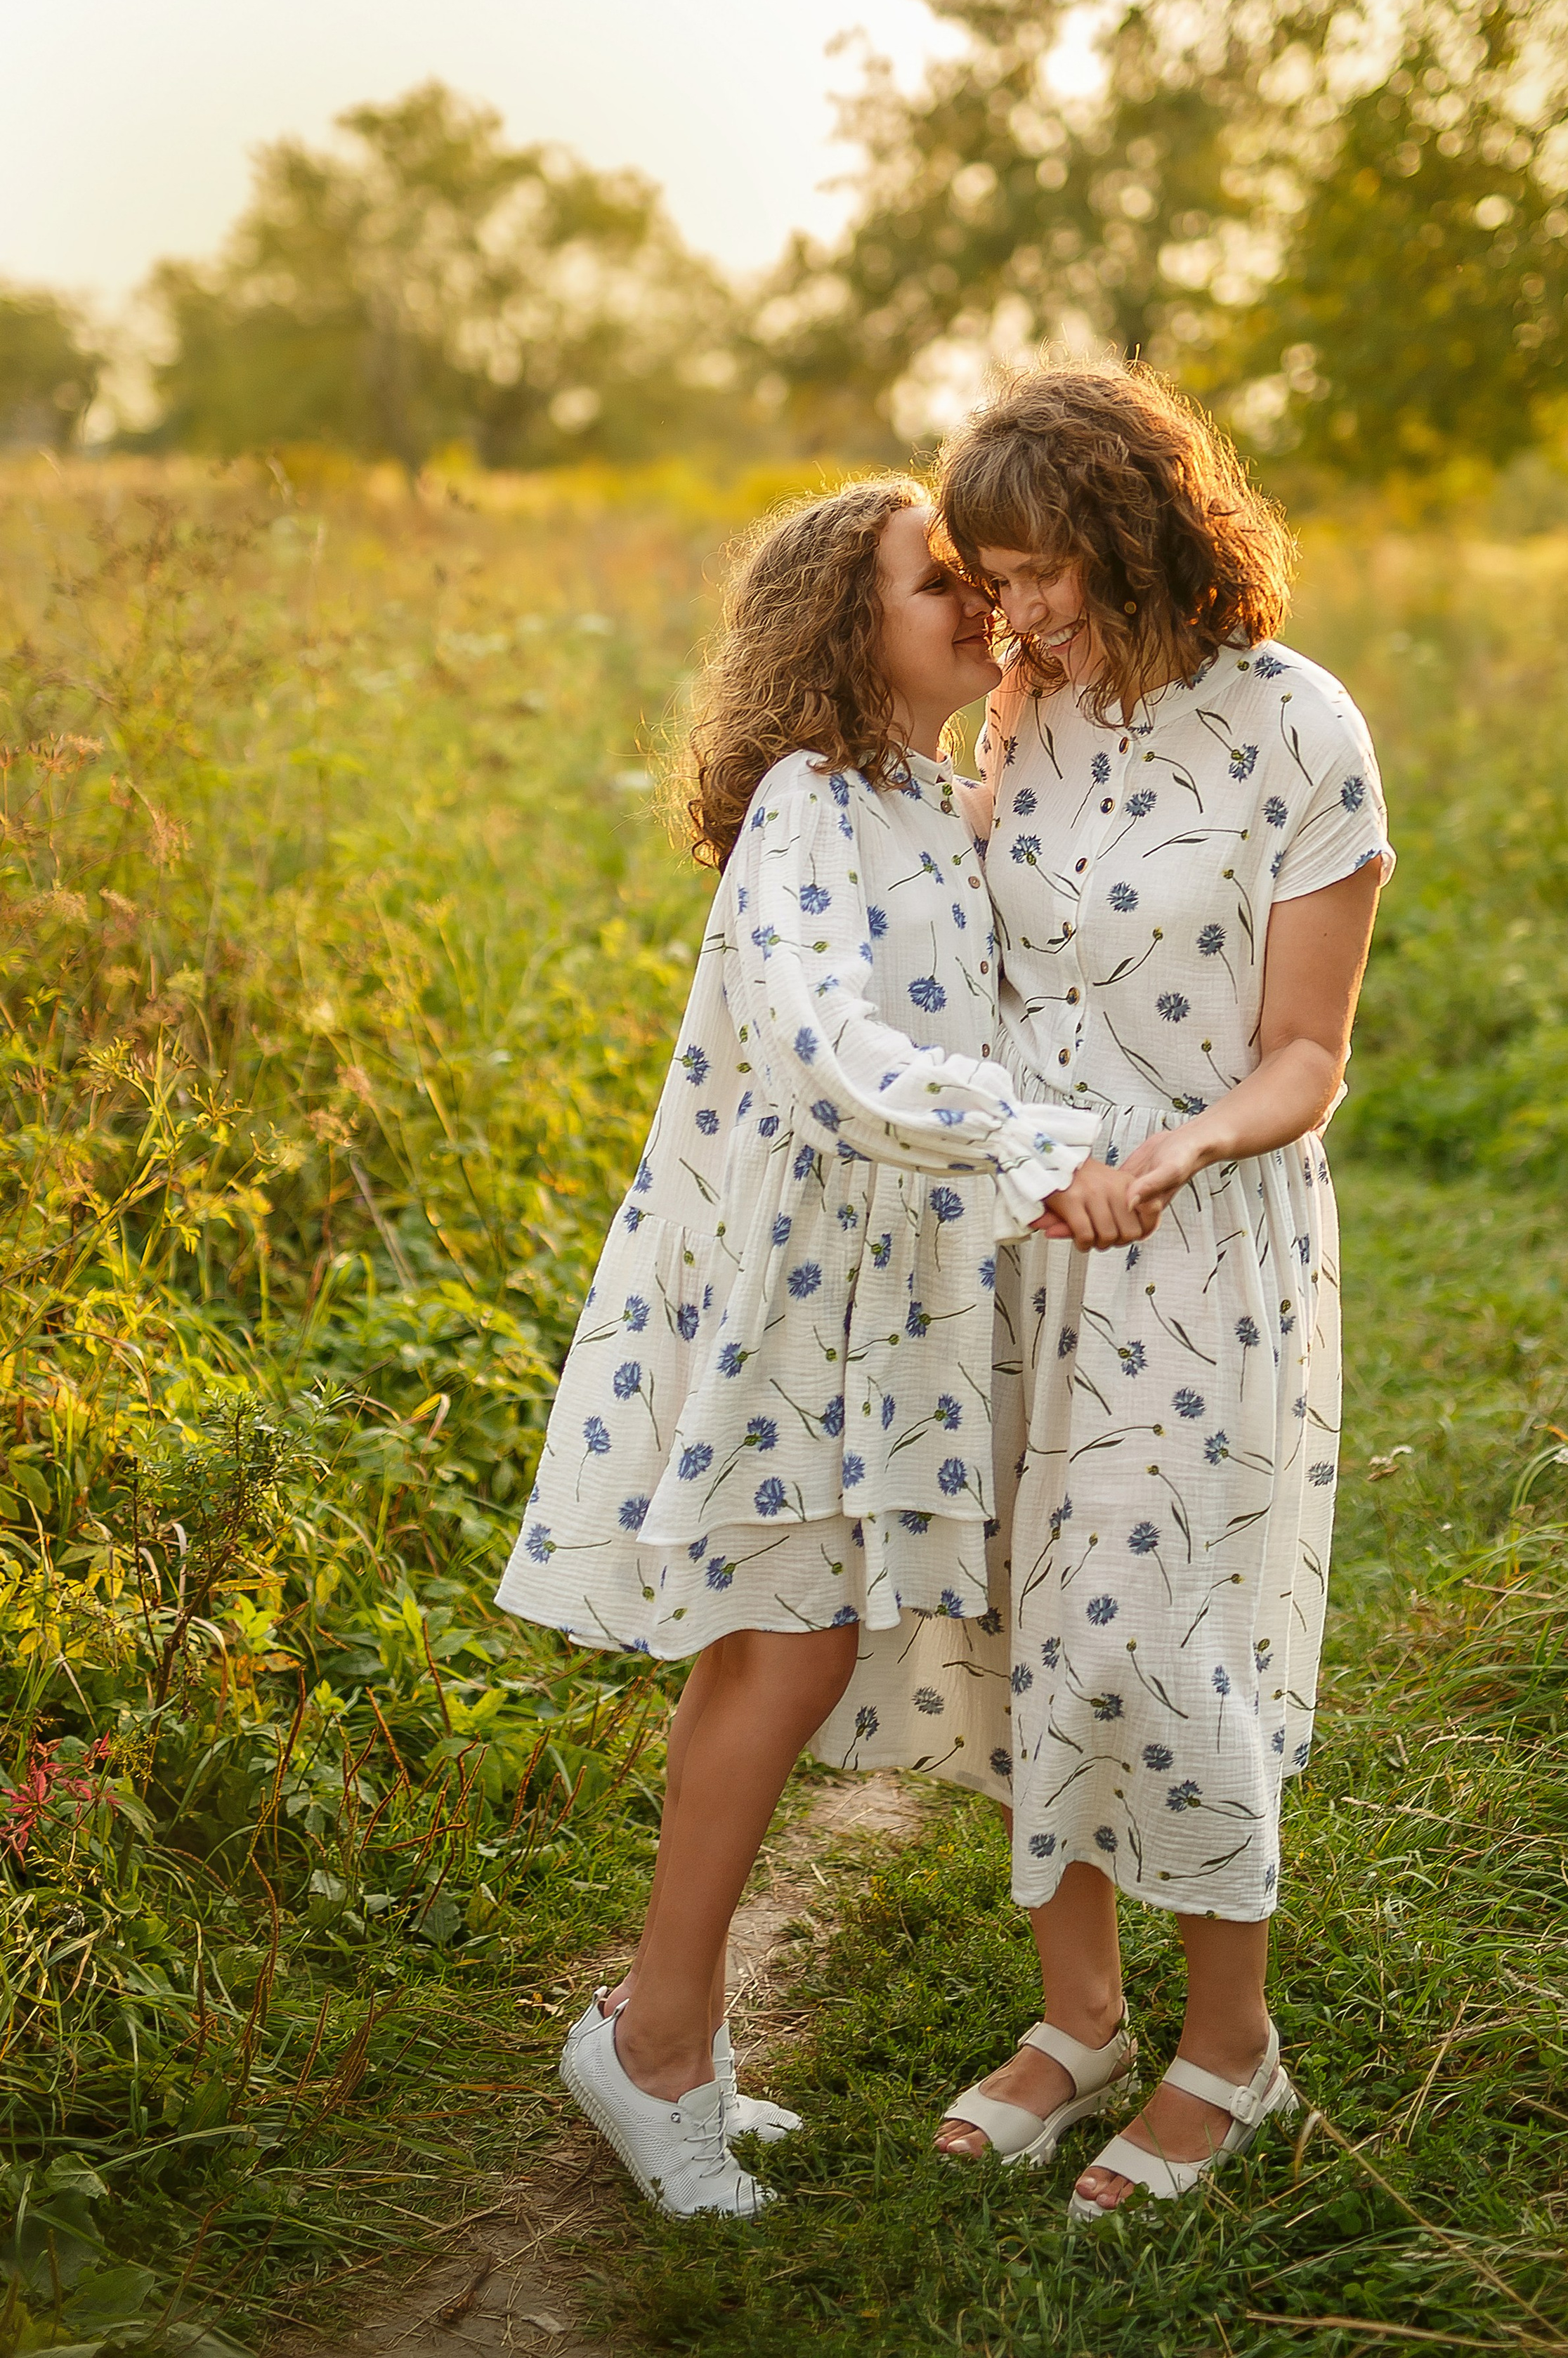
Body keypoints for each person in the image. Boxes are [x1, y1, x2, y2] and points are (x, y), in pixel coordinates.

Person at [495, 476, 1144, 2218]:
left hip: (888, 1301)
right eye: (931, 580)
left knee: (786, 1636)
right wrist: (1032, 1147)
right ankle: (648, 2050)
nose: (972, 604)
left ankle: (663, 2022)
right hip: (788, 1296)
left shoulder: (933, 802)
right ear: (835, 623)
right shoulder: (806, 802)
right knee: (780, 1643)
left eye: (969, 582)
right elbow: (827, 1039)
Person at [928, 360, 1392, 2218]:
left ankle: (1231, 2045)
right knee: (1019, 1623)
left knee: (1158, 1628)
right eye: (992, 573)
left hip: (1197, 1235)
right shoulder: (1023, 716)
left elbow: (1306, 1051)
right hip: (1023, 1230)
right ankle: (1080, 2014)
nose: (1015, 610)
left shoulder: (1300, 726)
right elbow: (979, 952)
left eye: (1041, 569)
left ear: (1137, 530)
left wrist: (1184, 1148)